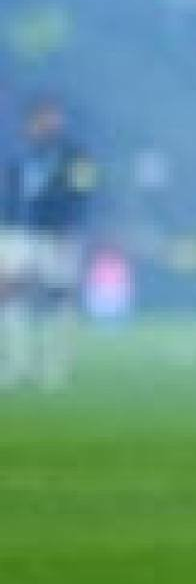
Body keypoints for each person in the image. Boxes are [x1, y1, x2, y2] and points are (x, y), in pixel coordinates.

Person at [0, 98, 97, 391]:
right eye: (39, 119)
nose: (44, 124)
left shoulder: (76, 156)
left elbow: (84, 194)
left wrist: (71, 229)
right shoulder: (20, 154)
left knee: (59, 297)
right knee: (10, 296)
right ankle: (17, 365)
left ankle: (56, 367)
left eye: (50, 117)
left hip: (58, 234)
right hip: (18, 232)